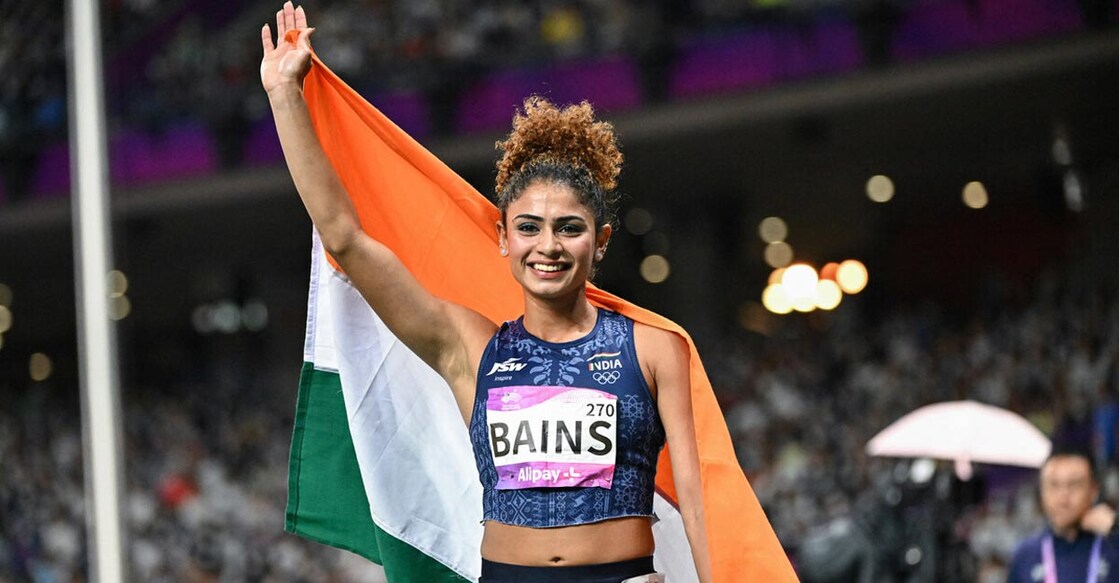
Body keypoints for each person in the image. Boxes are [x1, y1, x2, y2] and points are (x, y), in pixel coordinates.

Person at [260, 3, 712, 581]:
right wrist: (284, 97)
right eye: (528, 227)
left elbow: (697, 505)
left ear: (599, 242)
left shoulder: (653, 349)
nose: (547, 246)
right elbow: (346, 241)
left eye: (568, 228)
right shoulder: (469, 348)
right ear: (503, 238)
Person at [1007, 447, 1119, 582]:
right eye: (1053, 485)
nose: (1063, 497)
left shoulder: (1112, 545)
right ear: (1041, 492)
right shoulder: (1026, 555)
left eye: (1074, 484)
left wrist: (1115, 528)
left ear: (1094, 490)